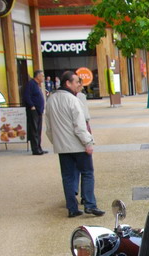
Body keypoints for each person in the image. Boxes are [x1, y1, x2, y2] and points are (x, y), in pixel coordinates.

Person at [45, 71, 104, 218]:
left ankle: (72, 208)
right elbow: (79, 125)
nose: (79, 84)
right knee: (87, 173)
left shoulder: (51, 100)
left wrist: (56, 142)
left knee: (68, 177)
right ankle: (90, 204)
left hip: (62, 146)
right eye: (77, 81)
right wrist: (88, 142)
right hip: (78, 145)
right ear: (68, 83)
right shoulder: (73, 100)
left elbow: (49, 128)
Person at [23, 69, 47, 155]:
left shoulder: (37, 85)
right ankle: (35, 149)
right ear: (38, 76)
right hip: (33, 110)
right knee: (34, 129)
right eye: (42, 76)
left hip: (39, 110)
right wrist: (32, 105)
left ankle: (39, 147)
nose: (43, 77)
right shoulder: (31, 84)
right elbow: (26, 96)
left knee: (38, 129)